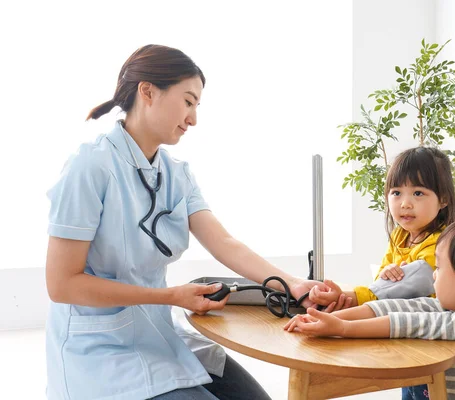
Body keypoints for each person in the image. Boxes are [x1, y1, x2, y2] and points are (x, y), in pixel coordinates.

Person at [44, 44, 333, 400]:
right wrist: (172, 296)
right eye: (188, 101)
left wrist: (293, 284)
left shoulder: (176, 174)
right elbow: (62, 284)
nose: (193, 119)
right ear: (147, 91)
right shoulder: (90, 166)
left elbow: (224, 243)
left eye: (196, 106)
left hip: (156, 333)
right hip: (98, 349)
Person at [285, 214, 455, 400]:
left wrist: (342, 328)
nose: (434, 276)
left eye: (439, 268)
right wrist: (335, 317)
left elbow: (418, 322)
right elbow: (403, 308)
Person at [310, 147, 455, 308]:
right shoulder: (399, 235)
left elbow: (399, 289)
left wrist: (349, 297)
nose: (405, 204)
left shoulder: (441, 245)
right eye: (396, 193)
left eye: (418, 193)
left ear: (443, 199)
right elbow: (381, 283)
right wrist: (387, 272)